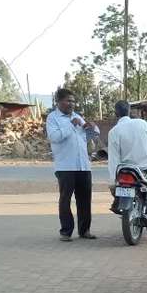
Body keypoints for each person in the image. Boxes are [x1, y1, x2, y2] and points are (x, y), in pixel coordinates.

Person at [46, 89, 100, 240]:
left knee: (85, 199)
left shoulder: (77, 116)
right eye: (68, 101)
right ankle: (66, 231)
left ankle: (85, 230)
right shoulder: (53, 118)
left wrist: (93, 128)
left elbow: (88, 137)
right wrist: (70, 125)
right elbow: (55, 137)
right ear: (58, 101)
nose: (71, 104)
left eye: (73, 101)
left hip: (83, 165)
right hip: (65, 166)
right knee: (65, 199)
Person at [107, 100, 147, 193]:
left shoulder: (114, 132)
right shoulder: (142, 123)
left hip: (128, 172)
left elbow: (114, 158)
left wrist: (112, 183)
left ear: (116, 113)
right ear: (129, 111)